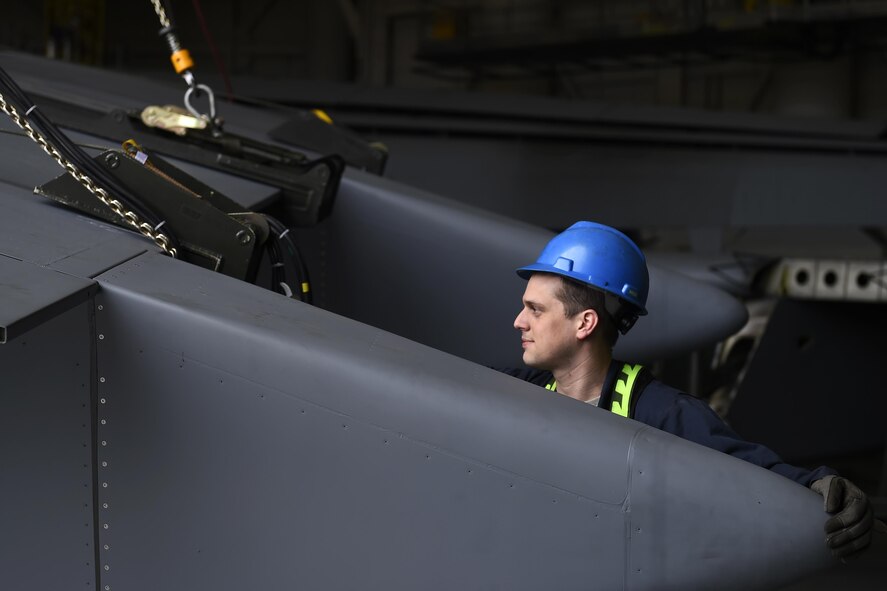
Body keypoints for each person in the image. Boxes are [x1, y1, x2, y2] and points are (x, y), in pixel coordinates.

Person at [503, 220, 875, 559]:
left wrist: (822, 484)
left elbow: (754, 471)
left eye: (535, 309)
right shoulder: (522, 392)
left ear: (585, 323)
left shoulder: (665, 413)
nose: (520, 321)